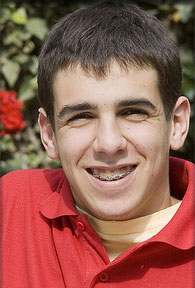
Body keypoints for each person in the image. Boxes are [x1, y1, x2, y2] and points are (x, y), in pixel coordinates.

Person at [1, 1, 194, 287]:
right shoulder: (10, 206)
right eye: (81, 117)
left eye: (133, 112)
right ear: (49, 134)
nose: (108, 143)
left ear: (177, 124)